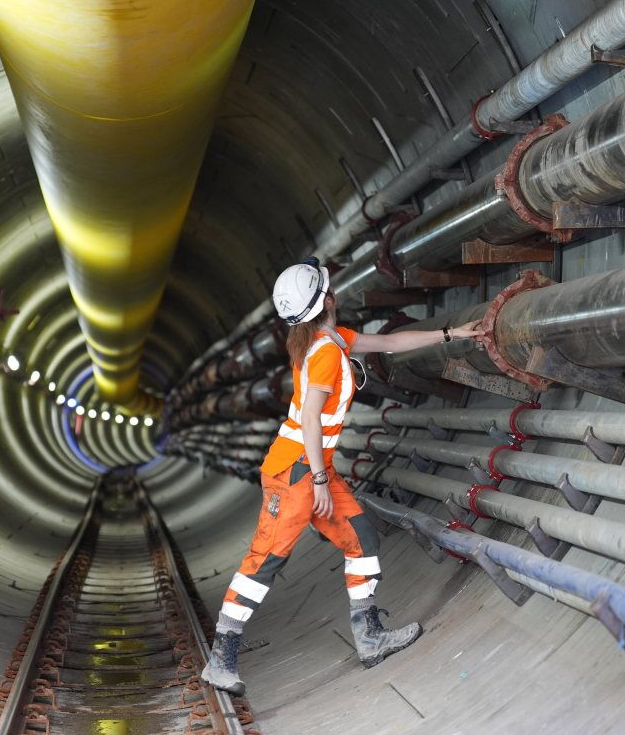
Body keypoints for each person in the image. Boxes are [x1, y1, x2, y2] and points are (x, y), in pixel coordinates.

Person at [201, 257, 483, 696]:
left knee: (361, 537)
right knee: (266, 559)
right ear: (328, 299)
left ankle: (369, 637)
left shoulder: (328, 338)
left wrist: (451, 333)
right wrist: (318, 481)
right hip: (296, 471)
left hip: (313, 467)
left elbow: (389, 342)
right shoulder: (327, 353)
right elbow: (311, 419)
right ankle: (221, 659)